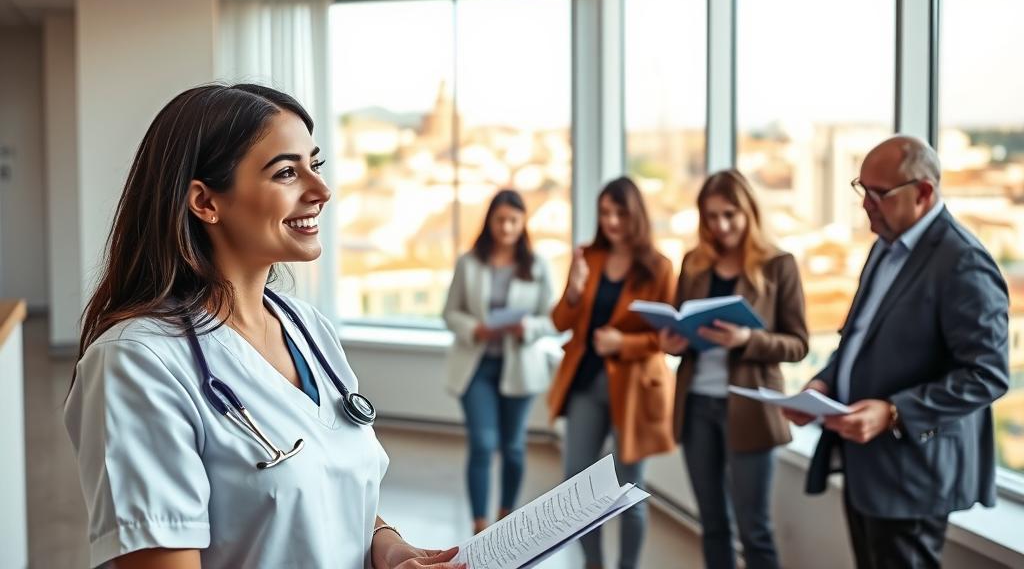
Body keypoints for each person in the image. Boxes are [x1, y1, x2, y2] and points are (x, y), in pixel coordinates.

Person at [64, 84, 464, 569]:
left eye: (315, 166)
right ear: (205, 202)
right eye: (287, 173)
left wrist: (386, 543)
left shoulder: (306, 327)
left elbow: (328, 484)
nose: (320, 191)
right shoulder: (137, 362)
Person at [784, 135, 1010, 569]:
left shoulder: (963, 262)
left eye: (879, 194)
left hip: (913, 472)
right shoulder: (884, 246)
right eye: (861, 188)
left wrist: (893, 412)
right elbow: (859, 337)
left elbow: (988, 375)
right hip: (865, 461)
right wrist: (824, 381)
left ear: (923, 193)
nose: (866, 203)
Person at [658, 170, 808, 569]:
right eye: (710, 217)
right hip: (696, 407)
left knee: (753, 528)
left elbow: (798, 344)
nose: (720, 226)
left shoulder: (779, 265)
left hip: (749, 409)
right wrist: (670, 343)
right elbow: (679, 325)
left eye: (729, 215)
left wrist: (747, 341)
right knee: (712, 523)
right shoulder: (693, 264)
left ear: (749, 212)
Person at [548, 176, 676, 569]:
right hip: (587, 382)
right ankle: (593, 564)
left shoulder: (658, 268)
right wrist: (573, 289)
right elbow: (560, 321)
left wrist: (624, 343)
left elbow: (667, 337)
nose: (612, 221)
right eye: (604, 213)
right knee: (577, 484)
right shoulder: (589, 256)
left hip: (636, 389)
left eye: (620, 212)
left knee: (627, 490)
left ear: (635, 213)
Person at [442, 189, 559, 534]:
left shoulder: (537, 266)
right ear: (490, 221)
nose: (506, 228)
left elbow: (552, 319)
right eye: (500, 220)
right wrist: (475, 329)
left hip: (520, 367)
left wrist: (528, 327)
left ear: (523, 224)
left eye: (513, 221)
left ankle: (505, 518)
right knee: (482, 443)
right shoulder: (469, 263)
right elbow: (449, 313)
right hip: (476, 367)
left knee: (512, 447)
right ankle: (480, 525)